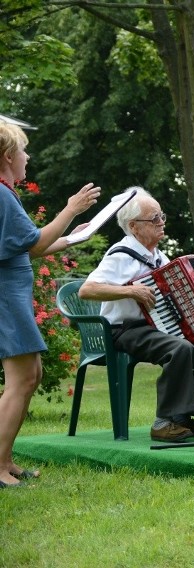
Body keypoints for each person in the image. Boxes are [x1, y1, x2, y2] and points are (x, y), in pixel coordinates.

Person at [79, 187, 194, 443]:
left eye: (161, 216)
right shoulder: (120, 255)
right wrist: (131, 291)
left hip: (154, 328)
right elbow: (86, 290)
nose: (161, 223)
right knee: (180, 349)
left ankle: (182, 418)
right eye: (154, 218)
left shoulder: (158, 257)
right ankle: (163, 422)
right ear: (134, 226)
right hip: (124, 330)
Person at [0, 122, 100, 487]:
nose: (28, 157)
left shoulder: (5, 195)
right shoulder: (2, 195)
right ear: (8, 156)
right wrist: (70, 209)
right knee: (22, 379)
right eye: (24, 151)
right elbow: (37, 245)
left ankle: (6, 460)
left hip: (11, 296)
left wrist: (73, 238)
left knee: (31, 376)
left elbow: (28, 244)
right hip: (5, 297)